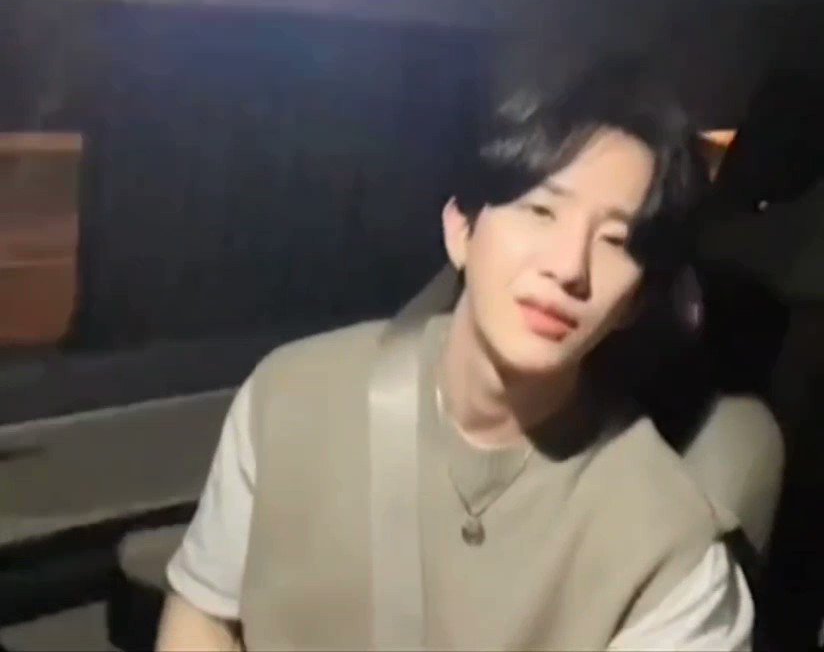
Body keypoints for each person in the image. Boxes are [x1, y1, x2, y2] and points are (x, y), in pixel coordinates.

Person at [156, 61, 754, 651]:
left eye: (616, 241)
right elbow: (204, 613)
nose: (569, 267)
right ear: (462, 229)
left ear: (635, 301)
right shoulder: (293, 396)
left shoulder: (669, 552)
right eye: (540, 211)